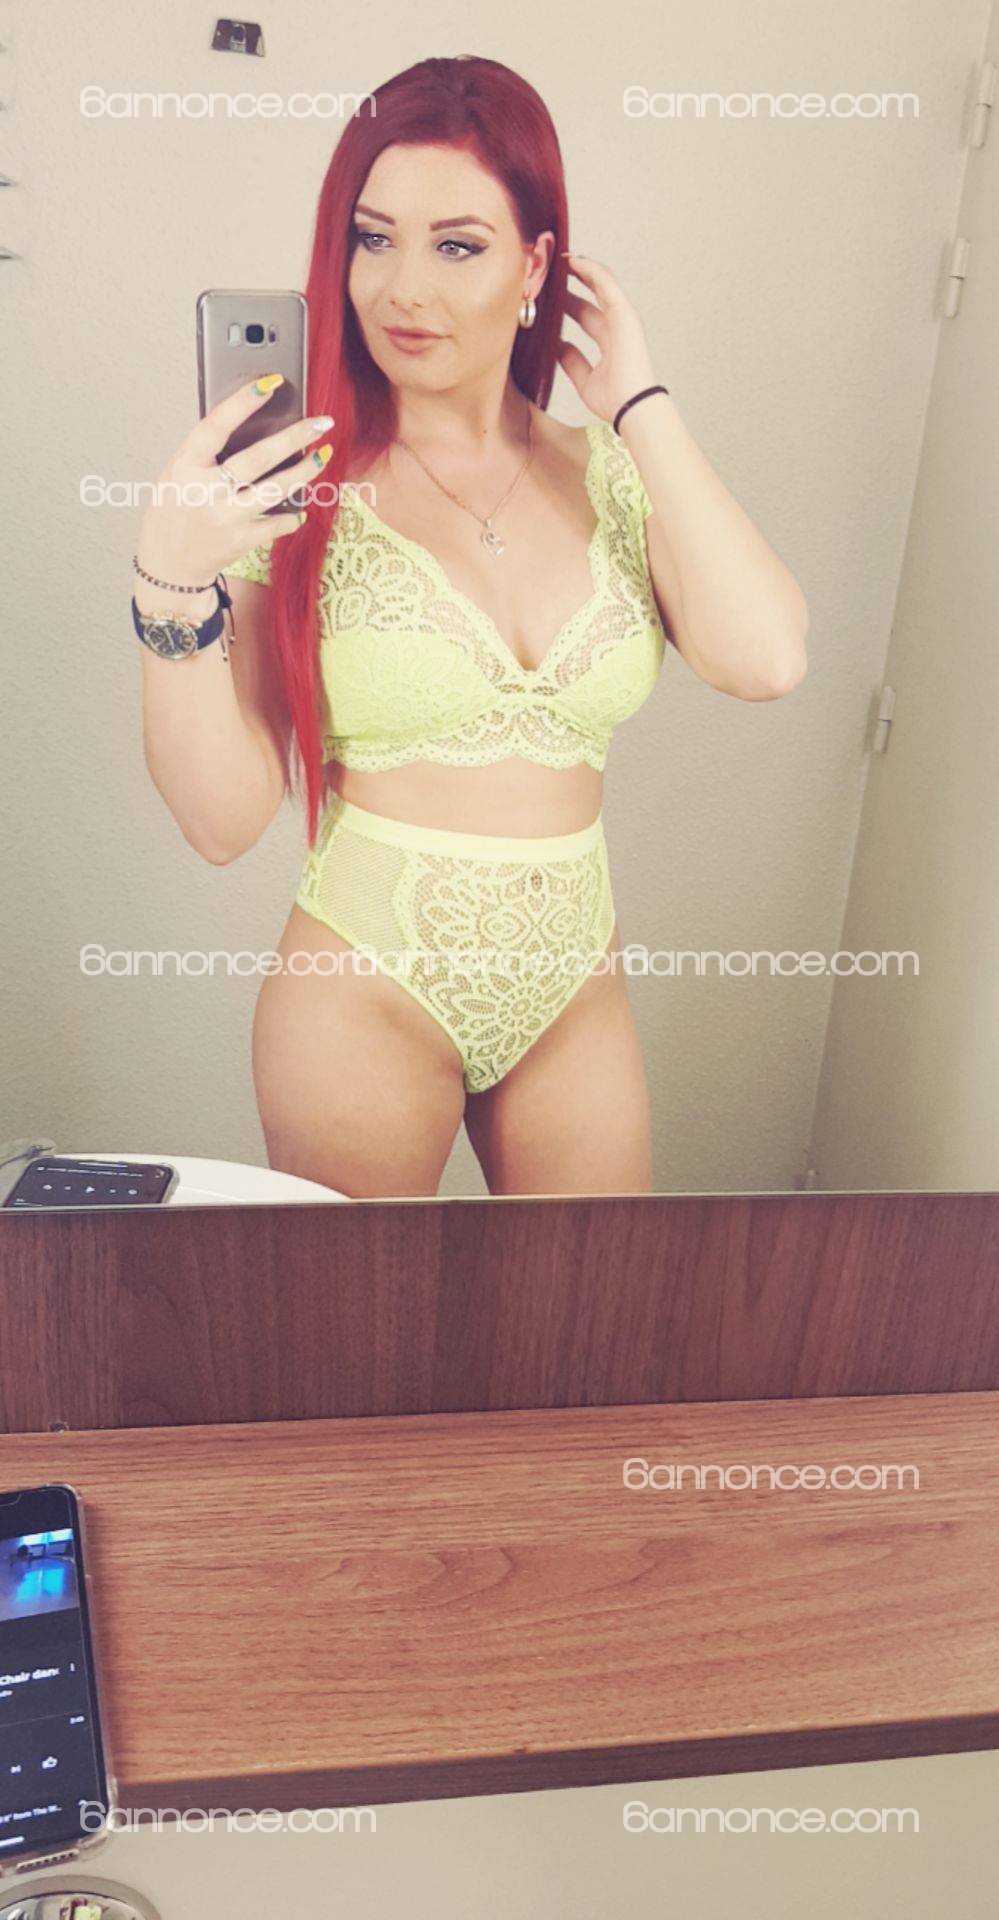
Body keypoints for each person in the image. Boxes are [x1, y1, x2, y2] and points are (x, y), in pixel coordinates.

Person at [133, 55, 808, 1200]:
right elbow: (221, 822)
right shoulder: (287, 491)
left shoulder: (611, 471)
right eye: (373, 238)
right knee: (360, 1318)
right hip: (365, 983)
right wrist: (169, 584)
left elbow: (769, 658)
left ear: (535, 264)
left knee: (591, 1309)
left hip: (572, 990)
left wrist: (640, 406)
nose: (404, 290)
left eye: (457, 246)